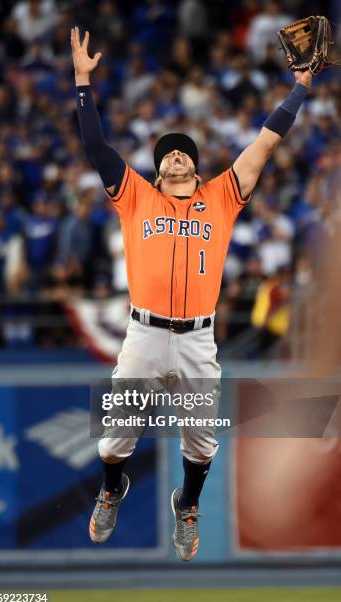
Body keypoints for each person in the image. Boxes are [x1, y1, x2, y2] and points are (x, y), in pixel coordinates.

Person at [71, 26, 312, 561]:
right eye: (168, 153)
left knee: (202, 442)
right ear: (157, 171)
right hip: (145, 334)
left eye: (184, 153)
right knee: (115, 439)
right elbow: (94, 145)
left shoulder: (222, 197)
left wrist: (298, 88)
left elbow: (267, 141)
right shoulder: (134, 196)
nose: (176, 156)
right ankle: (112, 490)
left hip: (198, 339)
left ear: (196, 167)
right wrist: (83, 83)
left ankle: (188, 504)